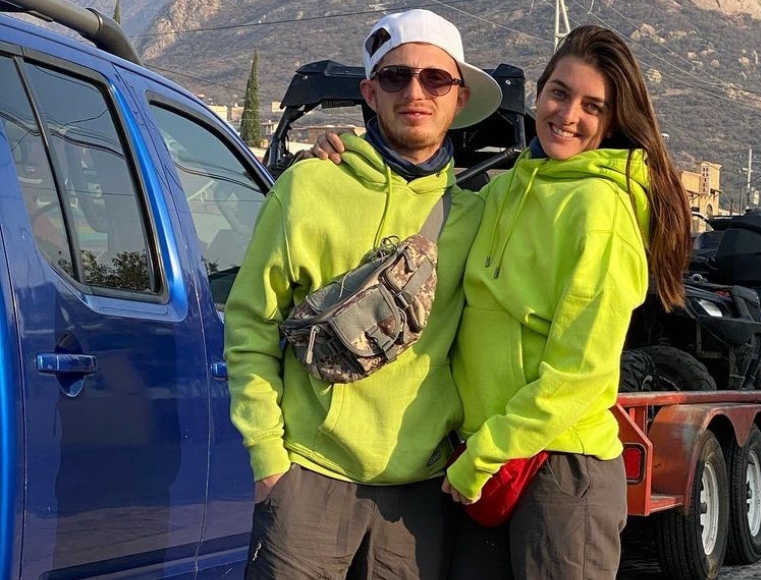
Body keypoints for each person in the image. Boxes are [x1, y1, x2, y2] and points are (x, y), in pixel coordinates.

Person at [223, 9, 501, 579]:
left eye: (435, 79)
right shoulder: (310, 185)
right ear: (370, 93)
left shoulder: (481, 215)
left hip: (420, 495)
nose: (415, 92)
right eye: (397, 77)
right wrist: (267, 456)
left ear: (459, 96)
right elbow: (251, 325)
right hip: (307, 477)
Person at [443, 25, 691, 579]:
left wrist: (484, 454)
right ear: (539, 93)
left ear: (612, 121)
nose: (568, 115)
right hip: (491, 458)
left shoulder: (600, 209)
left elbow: (581, 371)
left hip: (559, 467)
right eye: (559, 92)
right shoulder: (507, 188)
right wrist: (345, 160)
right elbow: (426, 206)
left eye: (591, 106)